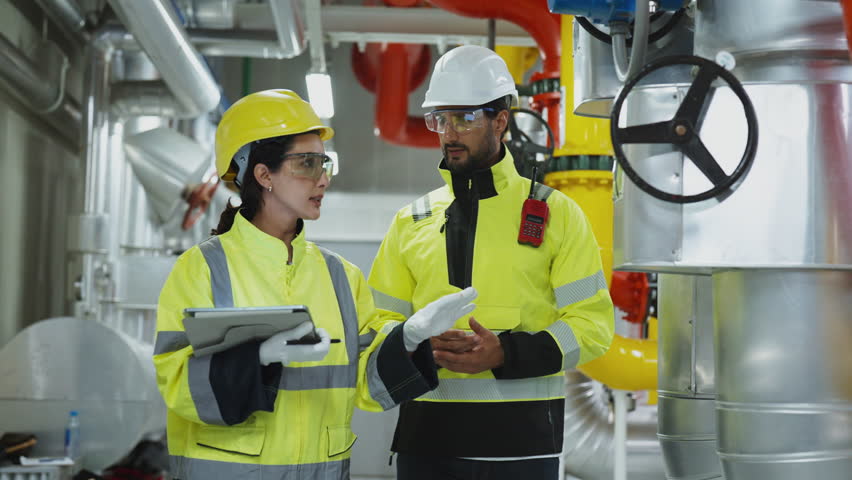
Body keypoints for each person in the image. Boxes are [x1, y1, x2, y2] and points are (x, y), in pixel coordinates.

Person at [152, 89, 478, 480]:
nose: (323, 179)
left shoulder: (341, 276)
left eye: (325, 163)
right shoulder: (202, 268)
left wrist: (409, 339)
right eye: (307, 164)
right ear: (263, 174)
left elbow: (368, 388)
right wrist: (256, 359)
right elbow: (176, 385)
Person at [367, 45, 615, 479]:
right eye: (439, 118)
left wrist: (505, 353)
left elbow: (593, 327)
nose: (448, 132)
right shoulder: (410, 222)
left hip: (521, 451)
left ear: (500, 120)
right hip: (427, 447)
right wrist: (416, 341)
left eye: (464, 118)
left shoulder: (557, 215)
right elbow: (375, 325)